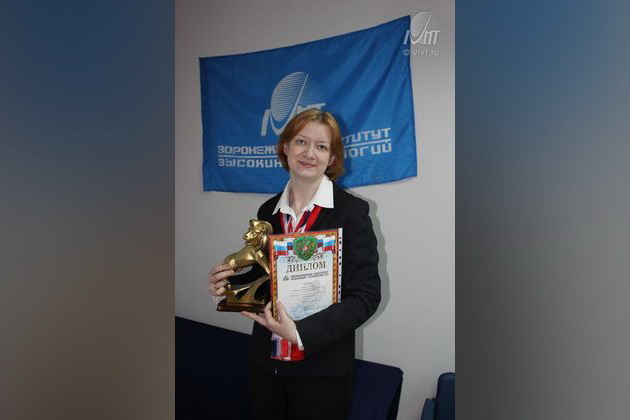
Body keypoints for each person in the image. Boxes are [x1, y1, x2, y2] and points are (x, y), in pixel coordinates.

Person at [208, 109, 381, 420]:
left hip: (322, 370)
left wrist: (301, 332)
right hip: (266, 364)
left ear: (332, 158)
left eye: (321, 146)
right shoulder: (268, 211)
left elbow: (366, 296)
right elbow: (266, 278)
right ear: (285, 147)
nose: (309, 153)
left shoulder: (351, 212)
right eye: (301, 141)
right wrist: (228, 285)